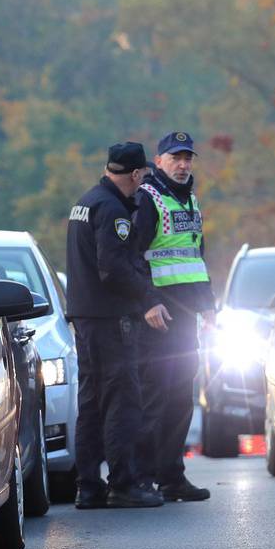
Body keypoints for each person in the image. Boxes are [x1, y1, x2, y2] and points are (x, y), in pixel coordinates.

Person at [64, 141, 169, 510]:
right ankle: (123, 483)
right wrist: (148, 297)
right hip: (110, 319)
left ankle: (88, 486)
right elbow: (114, 268)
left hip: (86, 317)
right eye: (143, 177)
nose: (143, 185)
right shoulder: (113, 211)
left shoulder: (87, 201)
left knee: (91, 402)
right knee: (122, 400)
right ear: (137, 173)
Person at [137, 132, 213, 502]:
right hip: (158, 320)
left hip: (187, 321)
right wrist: (148, 301)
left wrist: (210, 306)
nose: (183, 165)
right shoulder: (148, 199)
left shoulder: (190, 201)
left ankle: (172, 476)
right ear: (159, 159)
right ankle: (145, 477)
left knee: (182, 398)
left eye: (188, 158)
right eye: (175, 158)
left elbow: (197, 258)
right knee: (155, 399)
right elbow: (133, 259)